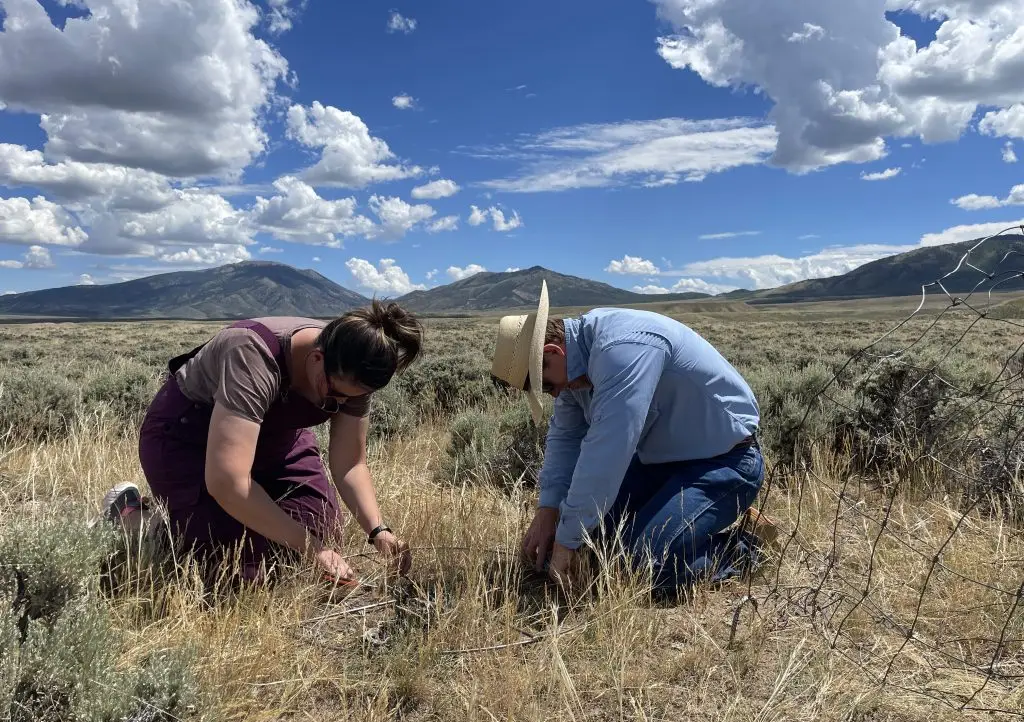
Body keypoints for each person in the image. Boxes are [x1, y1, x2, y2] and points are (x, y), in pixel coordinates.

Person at [102, 302, 422, 585]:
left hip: (274, 436)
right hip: (187, 436)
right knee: (229, 561)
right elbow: (229, 482)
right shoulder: (252, 353)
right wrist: (311, 548)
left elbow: (350, 462)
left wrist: (378, 531)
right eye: (334, 396)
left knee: (319, 530)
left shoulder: (351, 365)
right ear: (316, 358)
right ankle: (136, 518)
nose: (338, 405)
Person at [490, 280, 773, 595]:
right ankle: (693, 521)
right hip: (659, 463)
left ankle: (746, 545)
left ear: (552, 352)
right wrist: (549, 510)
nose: (554, 395)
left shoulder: (621, 351)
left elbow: (607, 453)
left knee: (645, 567)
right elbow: (565, 440)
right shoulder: (573, 371)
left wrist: (565, 542)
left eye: (546, 386)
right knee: (593, 545)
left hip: (724, 462)